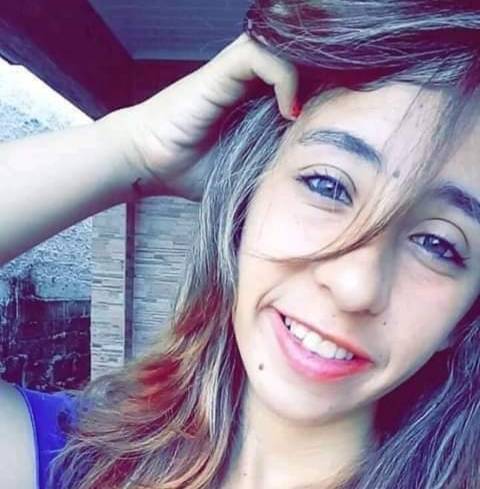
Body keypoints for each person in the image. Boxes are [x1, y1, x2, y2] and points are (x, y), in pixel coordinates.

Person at [1, 1, 480, 488]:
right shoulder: (71, 460)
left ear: (464, 316)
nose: (355, 286)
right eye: (329, 186)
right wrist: (131, 148)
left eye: (438, 244)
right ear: (247, 201)